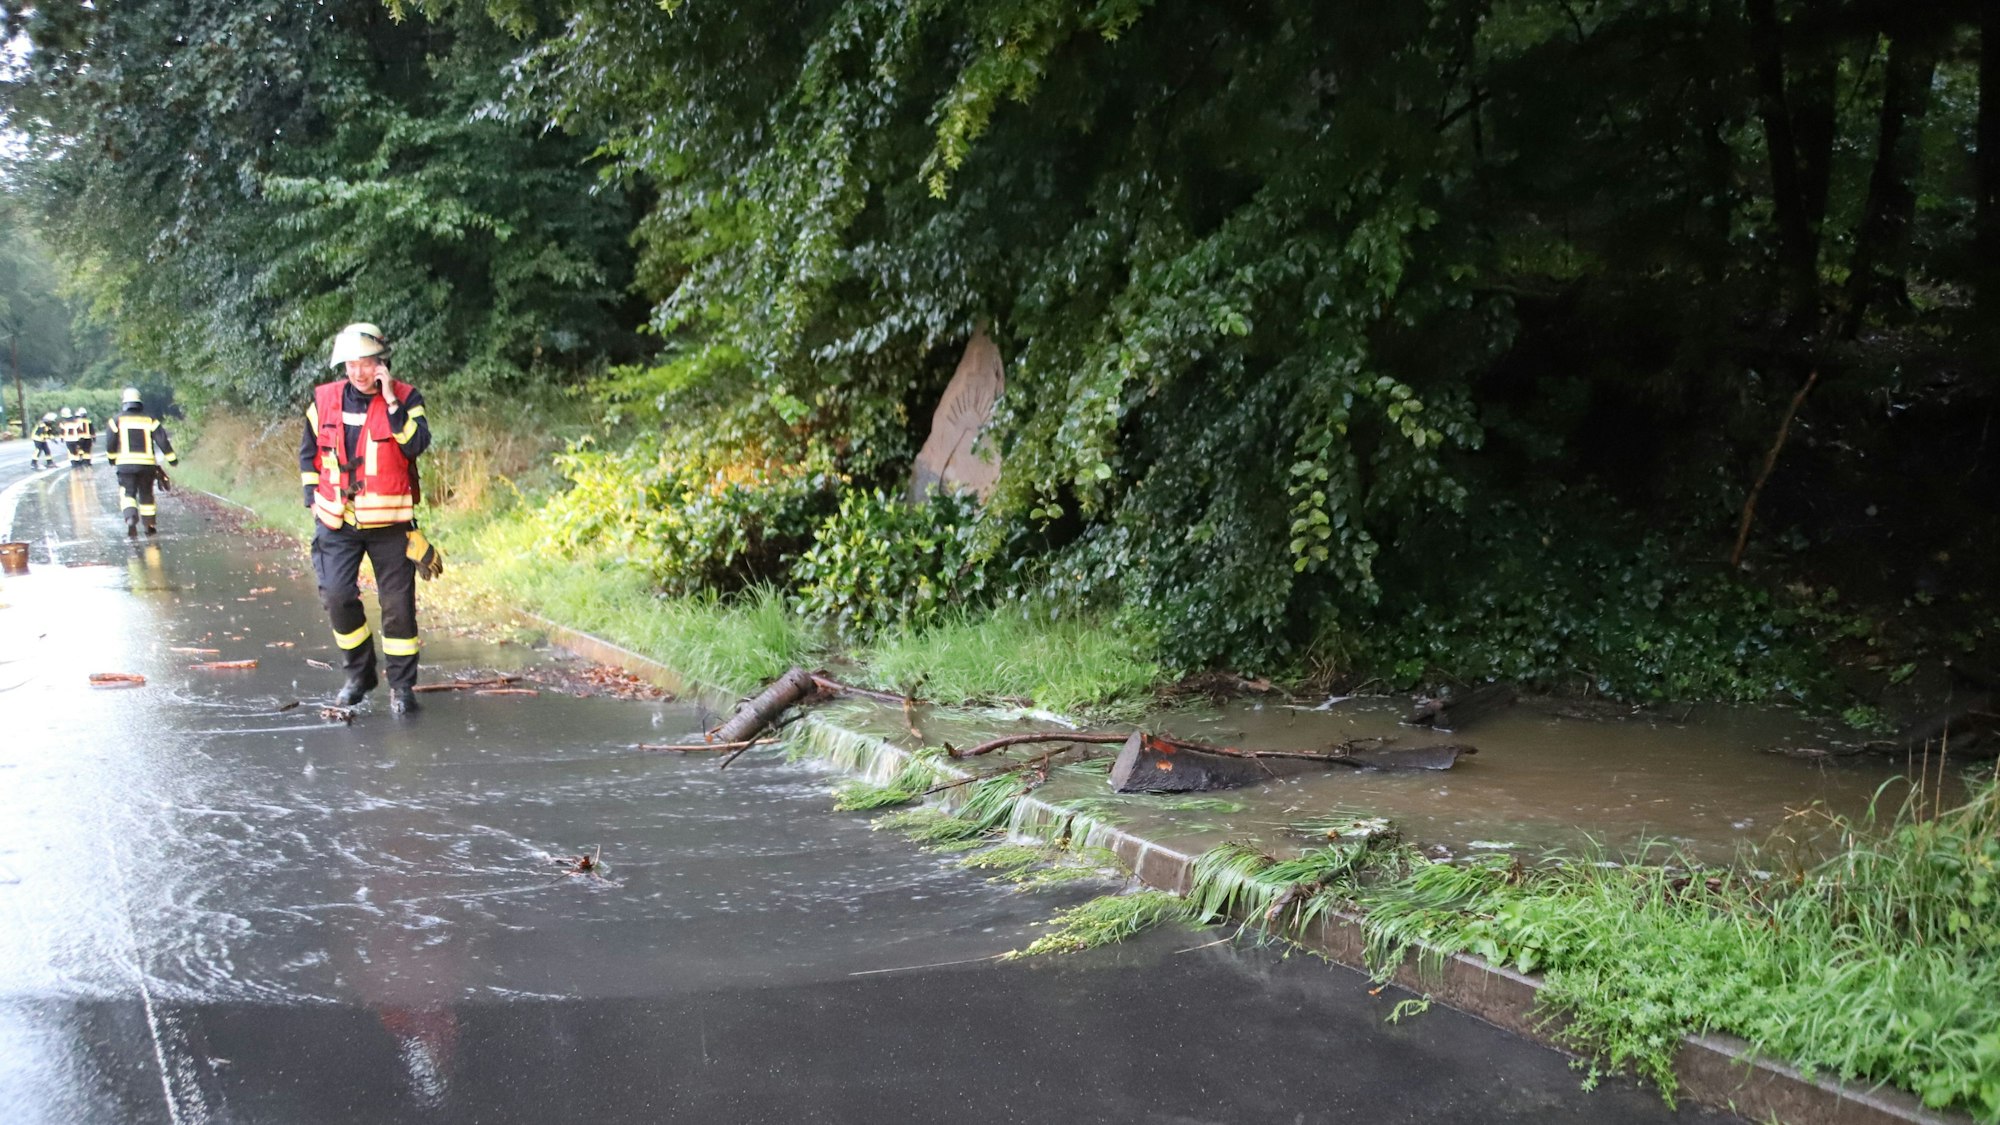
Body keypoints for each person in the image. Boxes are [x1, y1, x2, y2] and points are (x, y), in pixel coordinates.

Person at [299, 322, 431, 714]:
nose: (359, 371)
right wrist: (311, 496)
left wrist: (391, 403)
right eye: (351, 364)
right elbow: (309, 455)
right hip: (337, 522)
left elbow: (416, 445)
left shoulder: (407, 398)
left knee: (398, 607)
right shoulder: (322, 400)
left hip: (390, 525)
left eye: (367, 362)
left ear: (381, 362)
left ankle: (402, 687)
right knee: (338, 597)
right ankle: (360, 675)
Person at [104, 387, 177, 537]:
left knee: (127, 493)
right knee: (146, 494)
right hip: (147, 465)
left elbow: (110, 442)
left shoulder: (116, 420)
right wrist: (172, 459)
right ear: (139, 403)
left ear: (125, 403)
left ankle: (130, 517)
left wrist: (112, 458)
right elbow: (162, 440)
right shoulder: (150, 419)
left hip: (125, 465)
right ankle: (149, 524)